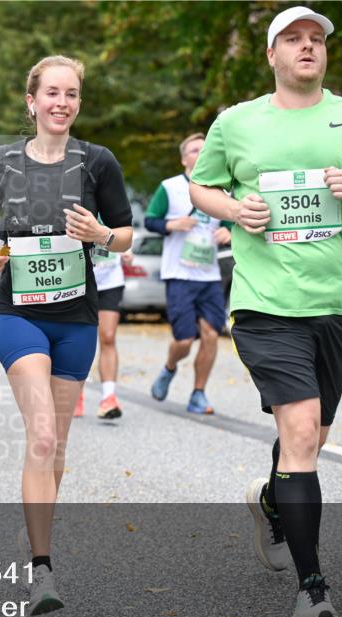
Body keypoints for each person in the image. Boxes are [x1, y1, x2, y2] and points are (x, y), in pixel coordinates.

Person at [189, 6, 342, 617]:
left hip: (337, 303)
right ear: (272, 55)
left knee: (307, 437)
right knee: (302, 429)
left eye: (316, 39)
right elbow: (201, 188)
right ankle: (312, 590)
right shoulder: (237, 123)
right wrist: (235, 207)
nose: (308, 47)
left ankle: (270, 502)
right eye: (294, 39)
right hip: (265, 303)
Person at [0, 55, 133, 615]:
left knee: (55, 444)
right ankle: (43, 569)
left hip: (76, 320)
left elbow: (127, 236)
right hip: (17, 313)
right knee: (41, 437)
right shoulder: (3, 161)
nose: (62, 102)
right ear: (32, 102)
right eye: (53, 93)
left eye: (72, 94)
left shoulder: (98, 162)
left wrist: (101, 233)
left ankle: (36, 530)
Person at [146, 133, 232, 414]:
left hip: (208, 276)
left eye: (205, 150)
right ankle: (170, 368)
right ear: (184, 158)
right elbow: (150, 220)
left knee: (210, 334)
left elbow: (234, 220)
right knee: (184, 339)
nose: (200, 153)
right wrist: (172, 224)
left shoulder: (222, 189)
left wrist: (227, 231)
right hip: (179, 274)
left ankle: (198, 394)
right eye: (194, 150)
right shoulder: (169, 187)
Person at [75, 245, 134, 419]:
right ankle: (74, 393)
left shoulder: (113, 215)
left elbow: (123, 232)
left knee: (108, 337)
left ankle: (109, 398)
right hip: (78, 280)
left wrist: (127, 251)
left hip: (110, 281)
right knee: (79, 340)